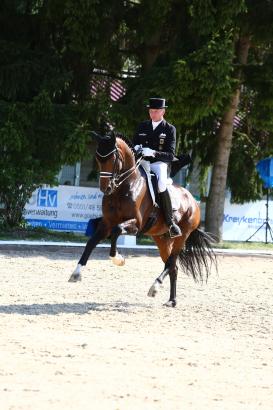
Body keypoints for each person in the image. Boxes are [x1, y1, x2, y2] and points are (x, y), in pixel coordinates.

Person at [133, 97, 182, 237]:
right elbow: (134, 143)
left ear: (163, 112)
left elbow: (170, 155)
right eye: (151, 111)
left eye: (156, 111)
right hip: (142, 161)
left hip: (159, 164)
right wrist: (136, 148)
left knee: (161, 184)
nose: (153, 114)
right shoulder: (142, 126)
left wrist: (154, 152)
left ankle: (170, 222)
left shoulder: (169, 129)